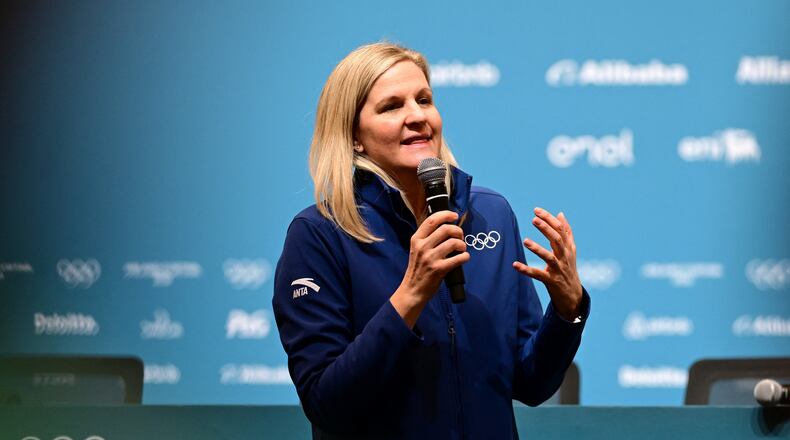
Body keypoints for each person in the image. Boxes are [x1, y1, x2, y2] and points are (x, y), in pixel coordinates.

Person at [273, 42, 590, 439]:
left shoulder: (490, 214)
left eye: (424, 99)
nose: (417, 116)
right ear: (354, 136)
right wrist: (410, 295)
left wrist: (567, 310)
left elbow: (531, 382)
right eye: (392, 106)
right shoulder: (319, 235)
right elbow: (326, 402)